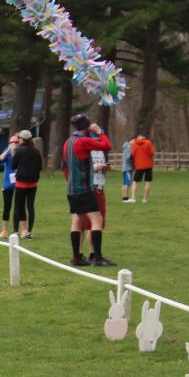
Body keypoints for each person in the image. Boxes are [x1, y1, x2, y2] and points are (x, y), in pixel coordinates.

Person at [63, 114, 114, 267]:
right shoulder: (83, 141)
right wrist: (99, 131)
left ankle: (77, 257)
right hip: (84, 187)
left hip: (71, 188)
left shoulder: (68, 142)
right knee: (97, 220)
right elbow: (106, 145)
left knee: (77, 221)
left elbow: (65, 165)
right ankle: (97, 257)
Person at [11, 130, 42, 239]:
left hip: (21, 183)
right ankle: (29, 231)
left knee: (19, 206)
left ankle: (20, 230)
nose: (18, 140)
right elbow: (40, 167)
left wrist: (14, 154)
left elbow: (13, 165)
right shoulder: (36, 151)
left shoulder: (19, 150)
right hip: (33, 183)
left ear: (23, 139)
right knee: (30, 206)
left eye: (19, 138)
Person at [82, 146, 110, 259]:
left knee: (98, 222)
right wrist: (96, 167)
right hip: (90, 187)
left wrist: (106, 167)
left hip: (100, 187)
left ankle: (93, 253)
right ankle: (90, 253)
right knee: (89, 223)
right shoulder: (85, 149)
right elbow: (82, 166)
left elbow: (107, 166)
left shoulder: (102, 151)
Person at [0, 133, 20, 238]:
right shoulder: (6, 152)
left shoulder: (20, 152)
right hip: (7, 183)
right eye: (12, 142)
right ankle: (4, 230)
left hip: (18, 182)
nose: (14, 144)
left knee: (18, 206)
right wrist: (8, 151)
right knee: (7, 206)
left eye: (16, 142)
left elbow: (17, 163)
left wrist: (14, 152)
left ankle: (16, 230)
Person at [130, 134, 155, 203]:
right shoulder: (148, 142)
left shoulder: (134, 143)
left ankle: (133, 198)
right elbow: (152, 152)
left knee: (135, 181)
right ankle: (145, 199)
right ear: (143, 137)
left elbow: (132, 154)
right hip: (148, 165)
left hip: (139, 165)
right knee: (148, 181)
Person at [121, 136, 134, 202]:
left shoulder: (125, 146)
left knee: (124, 183)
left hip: (124, 167)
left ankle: (124, 197)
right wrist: (133, 158)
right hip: (128, 168)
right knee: (127, 183)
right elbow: (128, 157)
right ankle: (125, 198)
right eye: (134, 141)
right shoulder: (129, 147)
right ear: (131, 140)